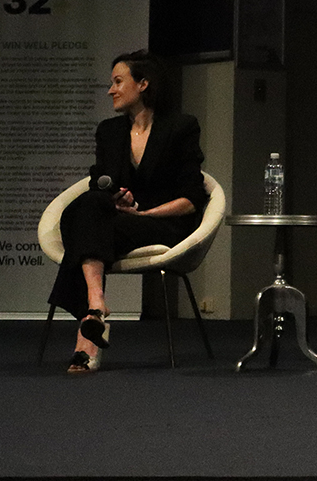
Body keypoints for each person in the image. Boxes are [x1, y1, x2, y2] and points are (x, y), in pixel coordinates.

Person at [50, 50, 208, 374]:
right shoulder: (109, 131)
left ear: (144, 84)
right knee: (90, 207)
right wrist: (117, 199)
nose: (111, 90)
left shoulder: (181, 127)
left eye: (118, 81)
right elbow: (100, 184)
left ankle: (88, 337)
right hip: (118, 222)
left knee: (86, 228)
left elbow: (193, 197)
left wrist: (146, 215)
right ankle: (95, 304)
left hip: (163, 224)